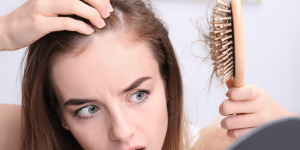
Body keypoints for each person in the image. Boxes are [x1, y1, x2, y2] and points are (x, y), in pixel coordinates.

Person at [0, 0, 298, 149]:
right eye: (88, 109)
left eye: (138, 94)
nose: (122, 132)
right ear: (60, 115)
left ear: (167, 81)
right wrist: (5, 32)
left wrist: (288, 134)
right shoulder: (32, 136)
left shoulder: (216, 145)